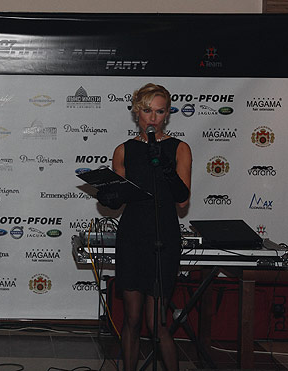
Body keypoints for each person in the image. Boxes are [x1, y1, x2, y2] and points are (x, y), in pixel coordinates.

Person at [96, 83, 191, 371]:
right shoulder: (123, 150)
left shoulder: (179, 148)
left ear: (167, 115)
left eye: (159, 111)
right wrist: (109, 195)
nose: (153, 118)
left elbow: (182, 200)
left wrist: (166, 169)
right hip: (132, 237)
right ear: (137, 112)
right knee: (132, 319)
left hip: (163, 237)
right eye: (147, 110)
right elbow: (119, 200)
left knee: (157, 322)